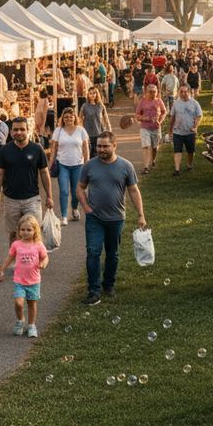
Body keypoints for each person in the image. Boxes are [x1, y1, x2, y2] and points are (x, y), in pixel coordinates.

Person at [76, 131, 146, 305]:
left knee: (112, 253)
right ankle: (94, 291)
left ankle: (108, 284)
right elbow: (80, 187)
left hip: (116, 218)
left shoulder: (125, 166)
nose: (101, 149)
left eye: (105, 146)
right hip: (95, 218)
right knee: (93, 252)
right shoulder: (89, 166)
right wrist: (85, 206)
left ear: (115, 146)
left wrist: (141, 215)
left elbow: (133, 191)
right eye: (99, 146)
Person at [0, 117, 53, 247]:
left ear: (28, 130)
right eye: (15, 130)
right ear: (11, 131)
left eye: (22, 129)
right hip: (10, 199)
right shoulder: (5, 150)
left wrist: (49, 196)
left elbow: (44, 172)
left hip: (32, 199)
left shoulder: (37, 149)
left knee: (34, 232)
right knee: (14, 233)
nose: (18, 132)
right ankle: (16, 262)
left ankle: (34, 262)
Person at [0, 214, 48, 338]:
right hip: (19, 280)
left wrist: (43, 263)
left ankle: (31, 325)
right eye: (23, 230)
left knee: (31, 303)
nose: (25, 232)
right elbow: (10, 257)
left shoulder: (38, 245)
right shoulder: (16, 244)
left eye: (29, 230)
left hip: (34, 280)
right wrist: (2, 270)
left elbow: (45, 257)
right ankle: (20, 321)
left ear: (35, 231)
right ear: (19, 231)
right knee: (19, 303)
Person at [49, 107, 90, 225]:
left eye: (71, 117)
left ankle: (74, 208)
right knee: (64, 190)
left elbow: (85, 147)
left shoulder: (81, 130)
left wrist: (87, 162)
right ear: (62, 118)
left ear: (74, 117)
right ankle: (64, 216)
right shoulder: (58, 131)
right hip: (63, 164)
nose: (68, 119)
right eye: (66, 117)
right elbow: (54, 148)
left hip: (78, 165)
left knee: (76, 191)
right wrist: (51, 162)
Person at [169, 84, 203, 175]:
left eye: (185, 92)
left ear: (189, 92)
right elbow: (172, 117)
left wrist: (195, 126)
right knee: (177, 150)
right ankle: (177, 169)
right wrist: (170, 130)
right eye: (181, 92)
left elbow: (199, 116)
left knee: (190, 151)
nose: (183, 94)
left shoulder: (194, 103)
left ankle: (189, 164)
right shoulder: (176, 103)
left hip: (190, 132)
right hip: (178, 132)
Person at [134, 83, 167, 173]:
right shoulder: (142, 101)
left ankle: (153, 160)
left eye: (154, 92)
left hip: (156, 128)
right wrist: (145, 118)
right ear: (146, 92)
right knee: (146, 146)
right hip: (145, 128)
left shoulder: (159, 101)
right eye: (150, 92)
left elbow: (164, 112)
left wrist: (160, 120)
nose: (153, 94)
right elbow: (137, 115)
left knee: (155, 147)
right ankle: (146, 167)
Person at [80, 87, 111, 156]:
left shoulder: (100, 105)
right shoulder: (84, 106)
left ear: (97, 94)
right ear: (88, 94)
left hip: (99, 133)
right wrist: (81, 131)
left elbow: (106, 118)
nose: (92, 95)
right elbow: (80, 119)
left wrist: (109, 130)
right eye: (90, 93)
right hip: (88, 134)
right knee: (88, 154)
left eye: (94, 93)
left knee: (99, 154)